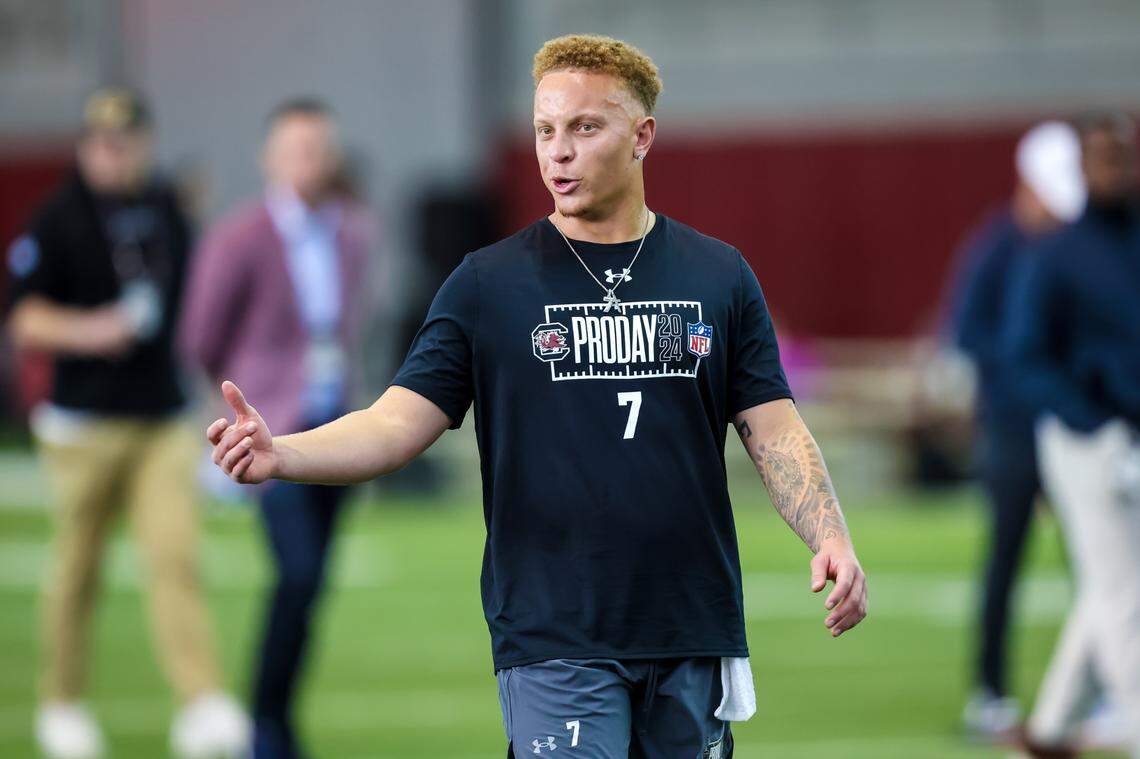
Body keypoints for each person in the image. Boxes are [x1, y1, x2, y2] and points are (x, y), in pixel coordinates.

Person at [206, 36, 868, 757]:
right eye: (545, 130)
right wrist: (283, 453)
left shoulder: (719, 275)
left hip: (691, 625)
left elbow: (774, 429)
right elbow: (395, 422)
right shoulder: (487, 284)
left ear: (642, 136)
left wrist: (830, 535)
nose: (559, 152)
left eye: (584, 127)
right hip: (554, 635)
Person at [4, 88, 248, 759]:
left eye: (125, 141)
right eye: (102, 142)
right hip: (83, 423)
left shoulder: (167, 207)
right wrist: (93, 330)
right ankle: (61, 701)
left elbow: (195, 303)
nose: (113, 154)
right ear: (86, 146)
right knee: (77, 568)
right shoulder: (56, 216)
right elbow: (24, 318)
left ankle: (201, 701)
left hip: (160, 418)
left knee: (175, 557)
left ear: (144, 142)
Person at [180, 98, 374, 759]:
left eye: (319, 149)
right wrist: (237, 410)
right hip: (272, 431)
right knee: (297, 572)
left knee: (312, 582)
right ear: (270, 158)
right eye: (295, 149)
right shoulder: (239, 237)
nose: (308, 162)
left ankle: (279, 723)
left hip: (338, 425)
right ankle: (265, 726)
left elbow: (348, 328)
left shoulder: (353, 233)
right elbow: (200, 338)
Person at [1007, 111, 1140, 758]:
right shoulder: (1058, 254)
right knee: (1123, 590)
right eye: (1105, 158)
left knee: (1112, 586)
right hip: (1084, 440)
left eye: (1125, 156)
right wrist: (1087, 417)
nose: (1117, 169)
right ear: (1084, 168)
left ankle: (1053, 728)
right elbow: (1023, 352)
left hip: (1133, 435)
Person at [949, 121, 1085, 738]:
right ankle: (991, 690)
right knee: (1005, 557)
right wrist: (1025, 375)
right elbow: (969, 332)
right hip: (1012, 429)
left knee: (1096, 562)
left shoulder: (1079, 247)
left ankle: (1101, 686)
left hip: (1075, 428)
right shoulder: (997, 247)